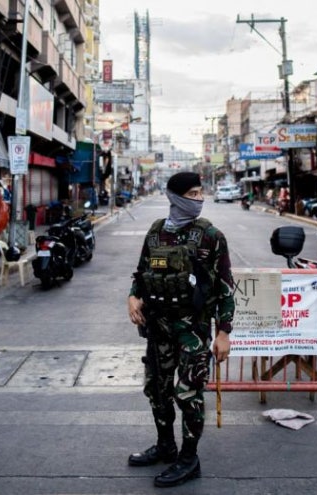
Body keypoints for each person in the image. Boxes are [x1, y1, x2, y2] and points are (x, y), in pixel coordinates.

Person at [127, 171, 235, 488]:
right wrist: (132, 296)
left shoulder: (210, 236)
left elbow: (226, 287)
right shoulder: (156, 232)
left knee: (188, 394)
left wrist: (224, 331)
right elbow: (141, 271)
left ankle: (189, 459)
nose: (199, 198)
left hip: (192, 331)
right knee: (158, 391)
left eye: (201, 192)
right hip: (157, 327)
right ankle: (165, 445)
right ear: (174, 197)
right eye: (192, 193)